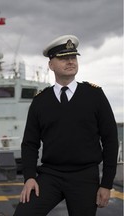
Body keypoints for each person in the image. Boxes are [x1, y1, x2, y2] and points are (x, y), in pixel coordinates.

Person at [13, 35, 118, 216]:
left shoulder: (95, 95)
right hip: (50, 175)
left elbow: (110, 140)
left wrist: (106, 184)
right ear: (51, 64)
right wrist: (29, 177)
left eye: (73, 57)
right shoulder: (40, 101)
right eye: (63, 58)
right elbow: (30, 143)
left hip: (85, 176)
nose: (70, 62)